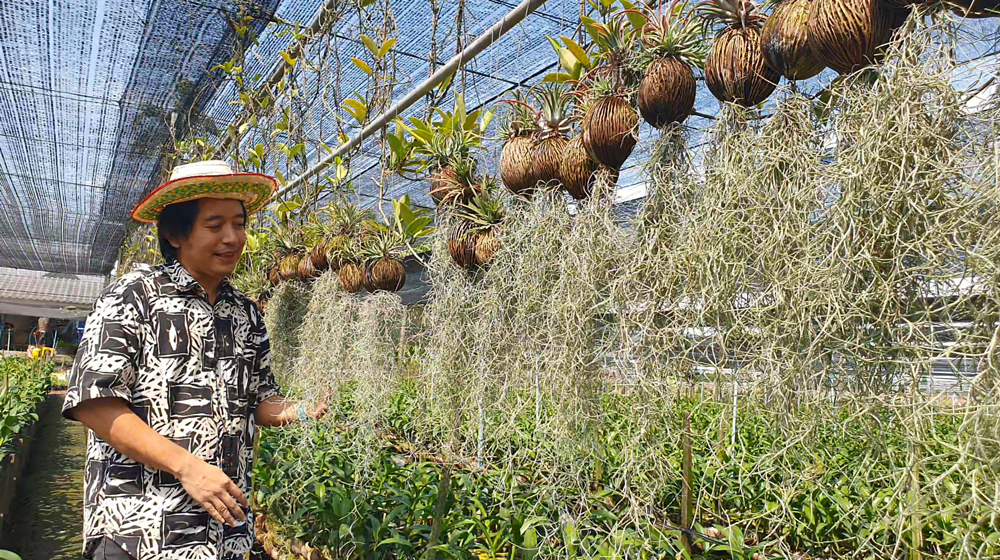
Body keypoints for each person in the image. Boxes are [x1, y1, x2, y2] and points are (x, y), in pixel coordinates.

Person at [62, 160, 328, 560]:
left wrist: (305, 409)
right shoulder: (135, 296)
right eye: (215, 225)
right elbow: (94, 403)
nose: (233, 237)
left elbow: (259, 401)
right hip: (139, 529)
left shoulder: (246, 313)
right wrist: (187, 467)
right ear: (174, 233)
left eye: (239, 224)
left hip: (223, 534)